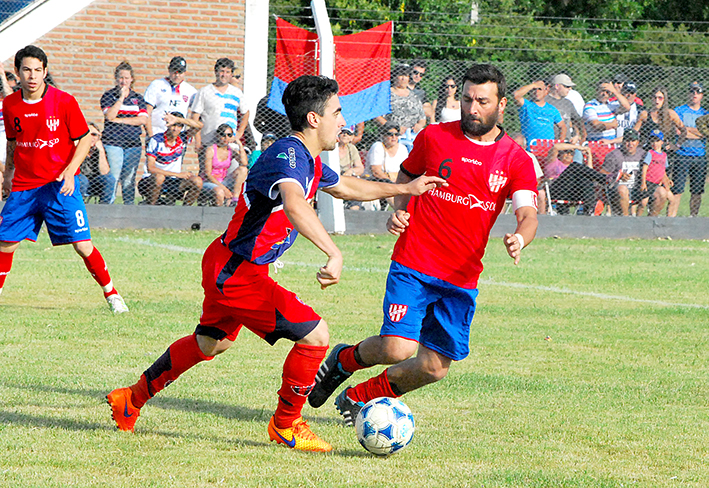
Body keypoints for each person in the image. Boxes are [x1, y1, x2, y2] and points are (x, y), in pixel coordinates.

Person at [105, 75, 445, 453]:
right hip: (238, 272)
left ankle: (130, 399)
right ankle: (287, 424)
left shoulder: (309, 160)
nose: (343, 121)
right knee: (315, 336)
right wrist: (333, 251)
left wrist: (403, 189)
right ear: (314, 119)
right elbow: (296, 203)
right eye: (337, 112)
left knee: (209, 344)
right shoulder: (289, 155)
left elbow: (347, 186)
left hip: (228, 263)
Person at [306, 64, 539, 428]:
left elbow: (528, 214)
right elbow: (407, 176)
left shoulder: (516, 160)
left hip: (461, 277)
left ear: (502, 104)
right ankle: (343, 361)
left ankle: (361, 395)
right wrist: (400, 210)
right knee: (397, 348)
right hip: (415, 262)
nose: (472, 108)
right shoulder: (434, 137)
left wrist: (520, 236)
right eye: (466, 99)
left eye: (482, 101)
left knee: (433, 368)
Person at [0, 45, 128, 313]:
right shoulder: (10, 104)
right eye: (26, 70)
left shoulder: (64, 101)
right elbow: (13, 143)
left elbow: (83, 139)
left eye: (38, 70)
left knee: (82, 246)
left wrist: (70, 171)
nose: (32, 76)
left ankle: (112, 294)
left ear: (45, 72)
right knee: (5, 242)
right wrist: (8, 176)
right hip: (25, 186)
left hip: (60, 185)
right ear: (17, 72)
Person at [100, 61, 148, 205]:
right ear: (116, 78)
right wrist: (120, 98)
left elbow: (143, 120)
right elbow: (109, 116)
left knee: (129, 178)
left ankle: (129, 206)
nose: (124, 81)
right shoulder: (109, 96)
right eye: (121, 78)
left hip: (133, 144)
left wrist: (120, 121)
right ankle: (109, 205)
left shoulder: (138, 98)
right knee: (113, 176)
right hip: (113, 142)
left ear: (132, 79)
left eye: (127, 78)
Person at [138, 112, 203, 206]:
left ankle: (185, 211)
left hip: (173, 181)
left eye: (179, 126)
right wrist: (177, 174)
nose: (175, 129)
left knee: (197, 181)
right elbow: (151, 168)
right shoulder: (156, 140)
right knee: (159, 177)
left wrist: (178, 119)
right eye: (173, 125)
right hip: (151, 180)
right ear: (168, 125)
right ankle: (151, 207)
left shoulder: (183, 138)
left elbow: (199, 126)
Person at [190, 58, 250, 155]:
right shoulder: (204, 92)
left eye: (227, 72)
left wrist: (239, 133)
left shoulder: (236, 93)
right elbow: (195, 117)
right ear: (216, 72)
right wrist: (198, 140)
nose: (224, 75)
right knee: (207, 170)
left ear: (231, 74)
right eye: (221, 71)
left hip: (230, 144)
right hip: (208, 142)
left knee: (238, 169)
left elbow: (246, 113)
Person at [669, 82, 707, 217]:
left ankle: (693, 218)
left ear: (702, 95)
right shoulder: (679, 110)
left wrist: (686, 129)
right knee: (677, 189)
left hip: (699, 155)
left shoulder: (705, 113)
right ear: (688, 93)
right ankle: (671, 219)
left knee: (696, 191)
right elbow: (678, 132)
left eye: (698, 92)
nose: (694, 94)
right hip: (682, 153)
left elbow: (706, 133)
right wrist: (697, 131)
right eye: (692, 91)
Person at [544, 142, 604, 215]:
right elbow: (555, 147)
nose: (569, 155)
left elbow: (590, 174)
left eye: (572, 153)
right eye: (566, 152)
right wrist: (579, 147)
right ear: (560, 153)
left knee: (585, 178)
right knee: (574, 166)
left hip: (572, 192)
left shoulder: (577, 168)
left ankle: (589, 211)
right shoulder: (553, 161)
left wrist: (589, 157)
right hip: (556, 190)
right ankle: (604, 179)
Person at [143, 56, 197, 138]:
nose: (177, 75)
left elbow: (198, 113)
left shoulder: (190, 90)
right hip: (158, 134)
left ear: (185, 73)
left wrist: (188, 135)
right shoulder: (157, 85)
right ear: (169, 70)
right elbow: (147, 111)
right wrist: (151, 135)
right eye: (174, 71)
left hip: (178, 137)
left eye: (180, 72)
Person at [375, 64, 426, 151]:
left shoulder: (414, 96)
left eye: (406, 75)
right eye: (400, 75)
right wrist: (394, 129)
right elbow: (377, 115)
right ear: (395, 77)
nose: (403, 78)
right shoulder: (386, 94)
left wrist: (419, 125)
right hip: (392, 138)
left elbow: (422, 118)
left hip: (412, 139)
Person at [601, 129, 646, 216]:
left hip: (637, 189)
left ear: (638, 142)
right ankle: (626, 219)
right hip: (616, 190)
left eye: (633, 141)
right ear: (623, 141)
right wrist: (618, 175)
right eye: (627, 141)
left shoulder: (643, 155)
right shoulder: (614, 155)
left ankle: (650, 222)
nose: (630, 144)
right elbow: (602, 173)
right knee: (623, 189)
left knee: (661, 192)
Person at [202, 123, 248, 206]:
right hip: (210, 182)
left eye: (229, 135)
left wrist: (240, 144)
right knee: (220, 192)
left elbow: (244, 163)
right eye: (223, 135)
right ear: (218, 136)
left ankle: (235, 199)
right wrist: (224, 189)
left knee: (243, 169)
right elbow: (207, 174)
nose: (226, 138)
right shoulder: (211, 150)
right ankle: (218, 212)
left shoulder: (231, 150)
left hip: (224, 180)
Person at [513, 79, 566, 147]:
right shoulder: (527, 105)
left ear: (546, 91)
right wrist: (533, 85)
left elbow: (562, 126)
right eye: (534, 89)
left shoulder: (552, 109)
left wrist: (559, 144)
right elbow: (516, 95)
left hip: (548, 150)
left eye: (540, 89)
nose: (536, 92)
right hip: (530, 148)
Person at [637, 130, 673, 217]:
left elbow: (663, 170)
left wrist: (667, 180)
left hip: (658, 183)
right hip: (649, 182)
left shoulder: (664, 155)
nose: (654, 143)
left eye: (657, 141)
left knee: (672, 199)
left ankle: (668, 219)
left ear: (662, 142)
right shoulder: (650, 153)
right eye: (652, 140)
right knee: (643, 202)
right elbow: (644, 168)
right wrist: (643, 183)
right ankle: (637, 219)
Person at [78, 123, 116, 204]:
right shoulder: (77, 148)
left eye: (94, 135)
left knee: (110, 179)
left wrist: (101, 151)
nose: (91, 137)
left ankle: (104, 208)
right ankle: (78, 206)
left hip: (94, 183)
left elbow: (105, 172)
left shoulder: (100, 150)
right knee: (82, 180)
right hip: (79, 181)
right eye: (87, 134)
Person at [510, 132, 545, 214]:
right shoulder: (504, 156)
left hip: (527, 186)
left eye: (520, 146)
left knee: (541, 194)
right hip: (509, 186)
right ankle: (500, 219)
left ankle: (543, 219)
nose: (517, 148)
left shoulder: (530, 157)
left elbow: (538, 178)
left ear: (525, 147)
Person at [545, 74, 584, 142]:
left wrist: (577, 135)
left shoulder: (568, 103)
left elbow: (577, 120)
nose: (569, 89)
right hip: (549, 141)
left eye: (570, 86)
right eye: (566, 86)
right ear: (557, 86)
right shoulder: (545, 101)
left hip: (566, 142)